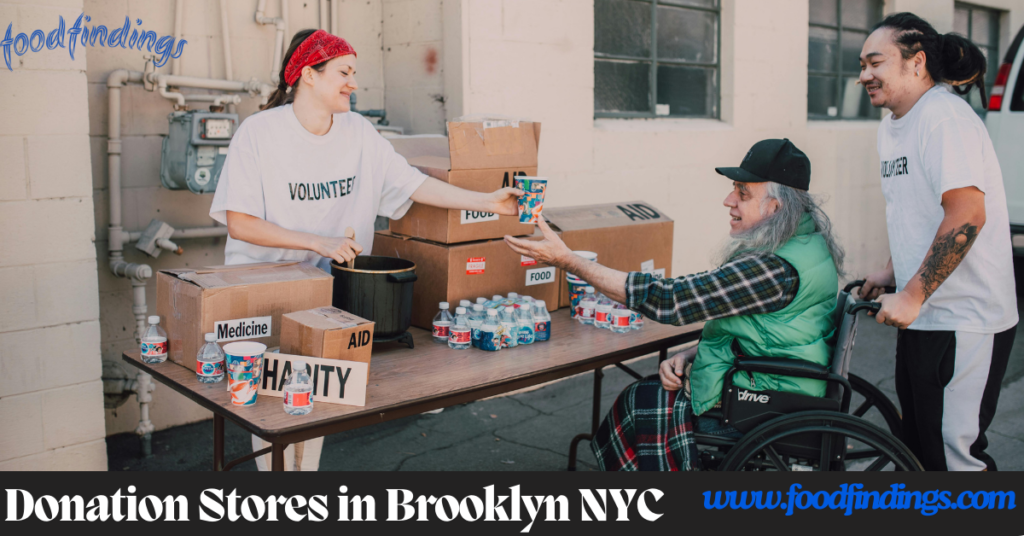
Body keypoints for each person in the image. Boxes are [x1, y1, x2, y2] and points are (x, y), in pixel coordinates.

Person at [209, 29, 522, 471]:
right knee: (268, 411)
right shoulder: (259, 133)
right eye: (343, 72)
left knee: (311, 403)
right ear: (307, 75)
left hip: (325, 296)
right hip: (264, 292)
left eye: (354, 73)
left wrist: (487, 201)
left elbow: (414, 183)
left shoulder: (359, 132)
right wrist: (316, 242)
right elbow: (239, 222)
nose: (353, 83)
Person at [505, 139, 844, 470]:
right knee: (644, 393)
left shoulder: (771, 270)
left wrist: (569, 260)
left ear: (776, 206)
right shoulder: (805, 244)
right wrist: (691, 355)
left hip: (764, 406)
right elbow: (770, 333)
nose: (729, 200)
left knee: (641, 402)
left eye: (743, 192)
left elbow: (671, 300)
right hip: (776, 386)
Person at [856, 13, 1018, 471]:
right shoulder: (892, 126)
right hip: (924, 315)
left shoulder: (944, 119)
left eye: (875, 62)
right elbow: (913, 210)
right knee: (920, 450)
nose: (864, 75)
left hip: (966, 317)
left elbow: (967, 214)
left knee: (954, 455)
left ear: (916, 62)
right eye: (862, 64)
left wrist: (911, 293)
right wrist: (892, 270)